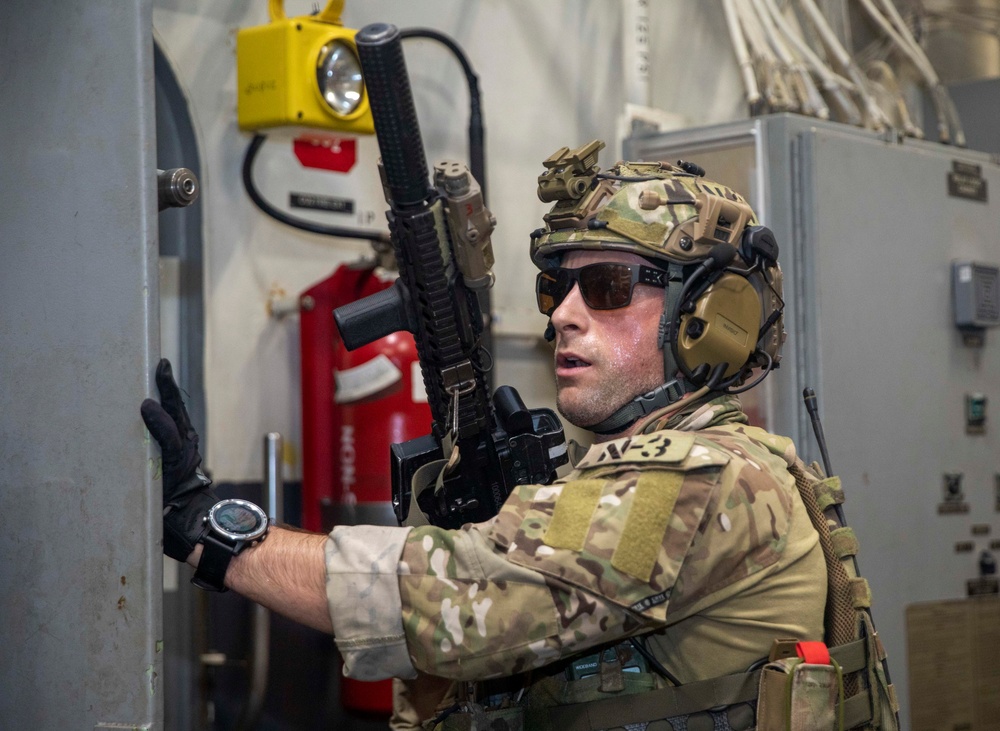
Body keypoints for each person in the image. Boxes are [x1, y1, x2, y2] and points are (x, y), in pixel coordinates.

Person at [143, 142, 897, 731]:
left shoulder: (694, 480)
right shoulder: (680, 463)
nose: (564, 314)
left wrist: (213, 528)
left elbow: (455, 600)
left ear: (710, 316)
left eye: (605, 288)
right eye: (555, 288)